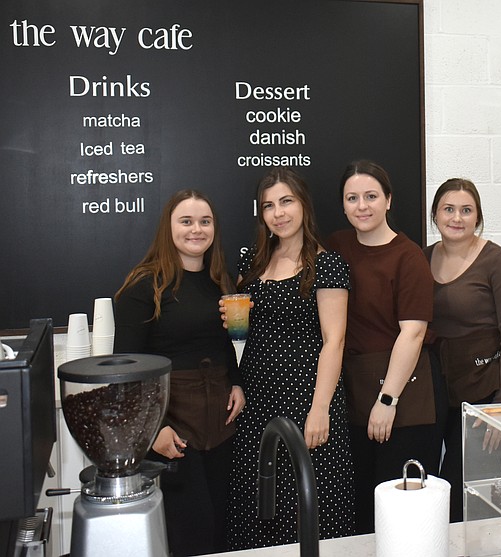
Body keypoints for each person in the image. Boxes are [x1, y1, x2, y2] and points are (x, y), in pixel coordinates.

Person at [225, 167, 355, 549]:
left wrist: (321, 408)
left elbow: (335, 340)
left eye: (286, 202)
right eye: (268, 206)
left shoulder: (326, 264)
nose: (278, 213)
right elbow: (243, 331)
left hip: (305, 399)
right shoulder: (250, 262)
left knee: (309, 507)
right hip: (257, 403)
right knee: (259, 505)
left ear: (303, 205)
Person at [113, 189, 246, 557]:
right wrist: (152, 431)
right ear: (168, 228)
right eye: (186, 221)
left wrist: (236, 382)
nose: (196, 230)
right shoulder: (144, 287)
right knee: (191, 534)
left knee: (222, 529)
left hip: (220, 424)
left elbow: (220, 344)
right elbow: (125, 370)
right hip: (170, 425)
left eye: (205, 221)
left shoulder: (221, 279)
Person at [327, 160, 438, 534]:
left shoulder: (409, 257)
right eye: (352, 198)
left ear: (388, 200)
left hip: (403, 393)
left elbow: (413, 334)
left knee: (400, 510)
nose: (362, 206)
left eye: (371, 196)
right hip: (353, 390)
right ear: (342, 205)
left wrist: (387, 401)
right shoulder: (337, 246)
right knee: (361, 508)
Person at [423, 178, 501, 522]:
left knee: (471, 484)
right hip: (444, 389)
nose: (457, 218)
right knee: (439, 483)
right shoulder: (423, 258)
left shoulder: (497, 260)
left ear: (477, 217)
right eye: (448, 209)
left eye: (466, 210)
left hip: (491, 388)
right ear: (435, 215)